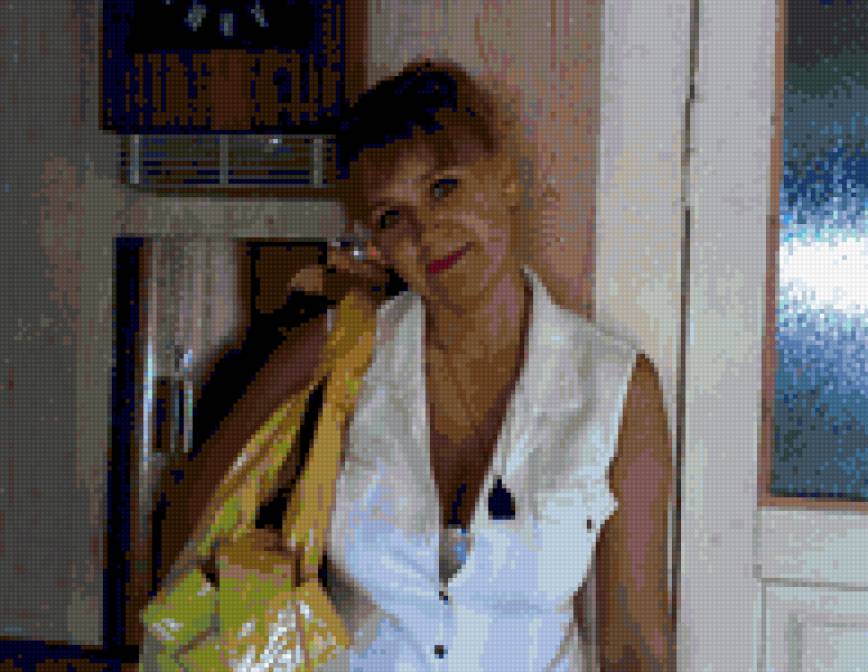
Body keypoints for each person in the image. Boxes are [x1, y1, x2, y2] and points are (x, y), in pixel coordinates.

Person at [148, 59, 674, 672]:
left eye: (443, 187)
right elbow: (188, 533)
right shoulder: (337, 353)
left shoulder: (617, 389)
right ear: (376, 245)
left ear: (505, 176)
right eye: (391, 217)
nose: (426, 231)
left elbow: (635, 645)